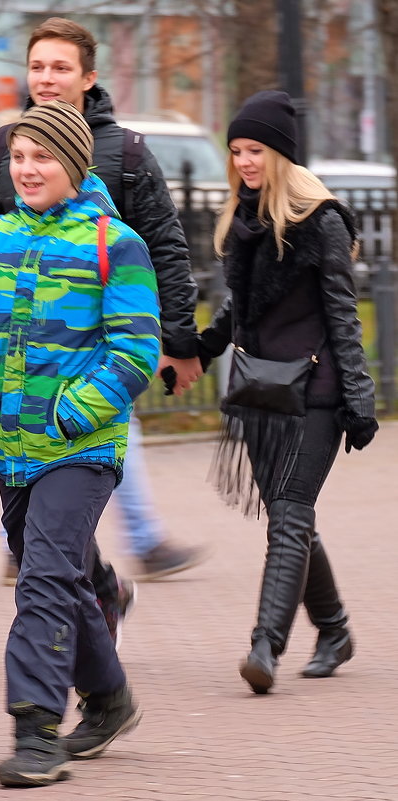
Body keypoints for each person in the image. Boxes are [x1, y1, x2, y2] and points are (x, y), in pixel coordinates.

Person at [0, 101, 158, 786]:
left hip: (80, 447)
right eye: (19, 157)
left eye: (42, 157)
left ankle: (35, 725)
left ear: (73, 165)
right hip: (10, 448)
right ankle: (109, 698)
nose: (28, 169)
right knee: (62, 573)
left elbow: (135, 351)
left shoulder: (113, 242)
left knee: (41, 577)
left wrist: (73, 413)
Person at [0, 18, 203, 598]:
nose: (47, 78)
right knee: (40, 486)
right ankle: (58, 559)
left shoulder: (125, 152)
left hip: (97, 349)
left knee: (106, 435)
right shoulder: (5, 145)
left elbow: (162, 245)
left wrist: (179, 338)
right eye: (38, 66)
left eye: (61, 67)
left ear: (88, 78)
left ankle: (136, 541)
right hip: (21, 351)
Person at [197, 90, 377, 694]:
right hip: (260, 393)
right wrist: (199, 347)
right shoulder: (242, 221)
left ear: (282, 154)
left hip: (317, 392)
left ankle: (264, 647)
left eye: (257, 149)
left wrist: (358, 397)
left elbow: (343, 315)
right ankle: (334, 629)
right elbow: (238, 310)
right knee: (289, 517)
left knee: (291, 515)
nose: (245, 161)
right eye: (237, 150)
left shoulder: (320, 220)